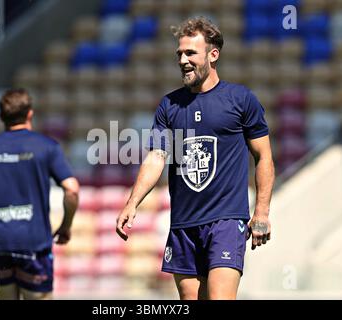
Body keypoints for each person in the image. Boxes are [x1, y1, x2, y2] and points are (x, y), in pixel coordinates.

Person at [116, 17, 275, 300]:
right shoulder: (169, 105)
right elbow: (156, 157)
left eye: (191, 53)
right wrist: (132, 201)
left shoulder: (240, 99)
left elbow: (263, 156)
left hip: (226, 221)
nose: (183, 60)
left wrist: (261, 212)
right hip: (183, 225)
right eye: (179, 53)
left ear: (213, 55)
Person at [0, 88, 79, 300]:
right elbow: (72, 189)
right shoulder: (47, 147)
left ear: (1, 117)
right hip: (35, 243)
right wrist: (66, 226)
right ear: (30, 114)